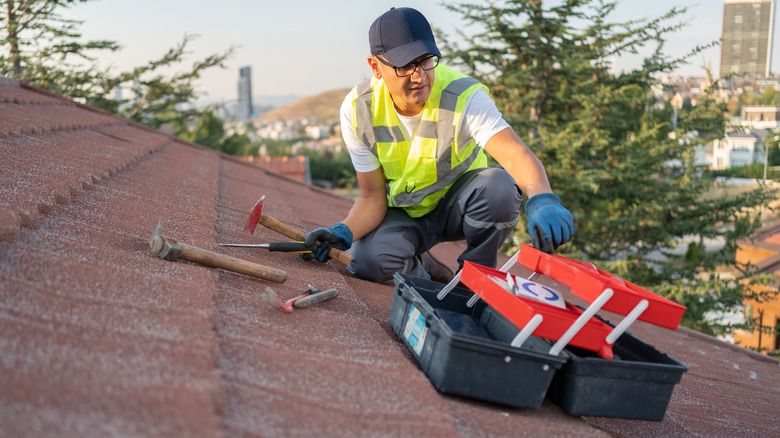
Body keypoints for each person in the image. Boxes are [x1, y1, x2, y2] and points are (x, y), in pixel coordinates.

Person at [302, 7, 574, 284]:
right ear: (376, 67)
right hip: (406, 214)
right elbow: (372, 197)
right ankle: (432, 280)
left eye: (425, 60)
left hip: (462, 207)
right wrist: (343, 233)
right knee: (368, 263)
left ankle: (474, 280)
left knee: (500, 187)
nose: (419, 76)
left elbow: (515, 155)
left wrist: (543, 200)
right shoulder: (358, 110)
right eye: (405, 66)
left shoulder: (463, 95)